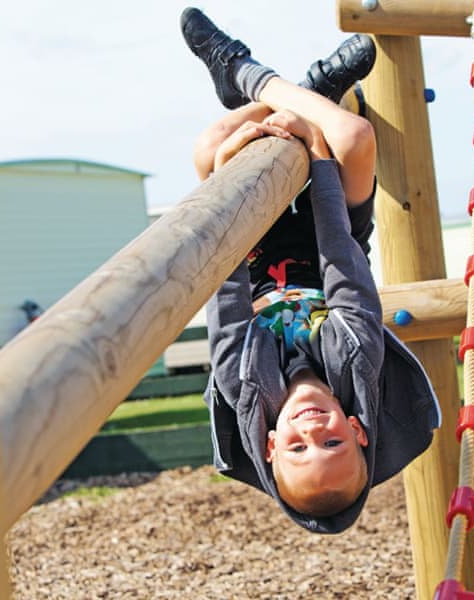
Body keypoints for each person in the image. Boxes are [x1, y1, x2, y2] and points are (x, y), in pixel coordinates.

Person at [181, 7, 441, 534]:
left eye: (298, 447)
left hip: (247, 250)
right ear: (357, 429)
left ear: (271, 443)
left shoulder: (246, 384)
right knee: (352, 135)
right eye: (333, 442)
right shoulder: (356, 363)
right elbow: (342, 263)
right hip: (331, 238)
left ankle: (247, 74)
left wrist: (226, 173)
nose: (313, 429)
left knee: (209, 146)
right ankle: (286, 85)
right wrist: (320, 155)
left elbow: (225, 286)